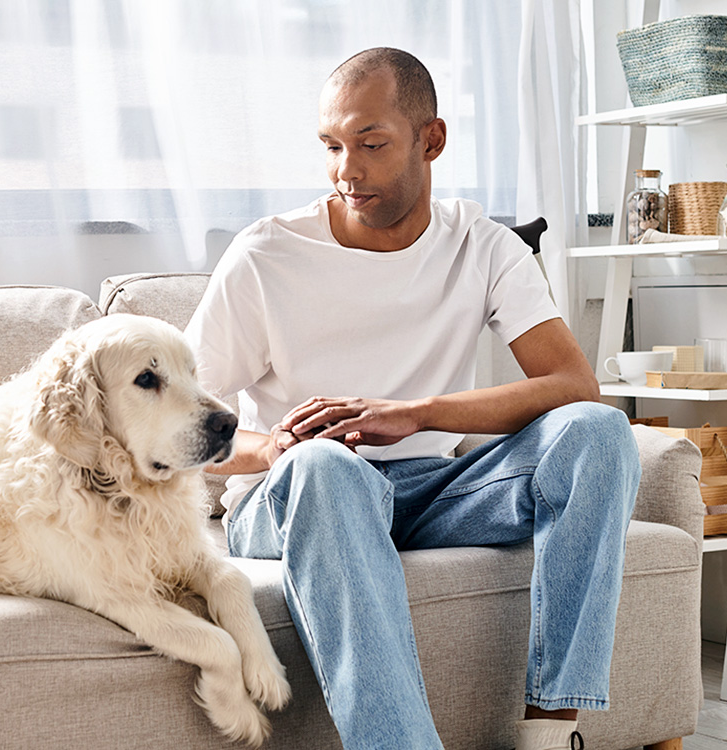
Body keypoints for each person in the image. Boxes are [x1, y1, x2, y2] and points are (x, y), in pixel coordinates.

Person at [184, 47, 640, 750]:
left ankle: (551, 735)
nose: (346, 171)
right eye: (332, 146)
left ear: (432, 140)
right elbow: (176, 430)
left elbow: (571, 385)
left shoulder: (482, 246)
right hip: (295, 494)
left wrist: (417, 414)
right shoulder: (264, 257)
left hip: (428, 488)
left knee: (598, 433)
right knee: (324, 467)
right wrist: (274, 446)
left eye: (371, 144)